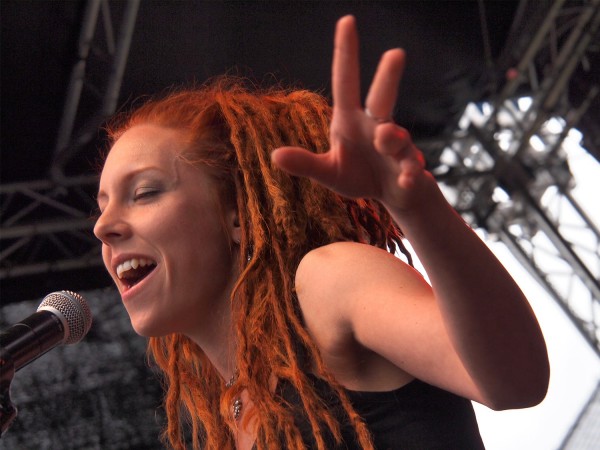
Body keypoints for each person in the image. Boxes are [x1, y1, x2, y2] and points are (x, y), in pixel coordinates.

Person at [93, 15, 549, 450]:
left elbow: (516, 378)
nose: (104, 226)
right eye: (103, 204)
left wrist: (417, 206)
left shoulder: (325, 282)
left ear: (237, 215)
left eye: (144, 192)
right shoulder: (233, 403)